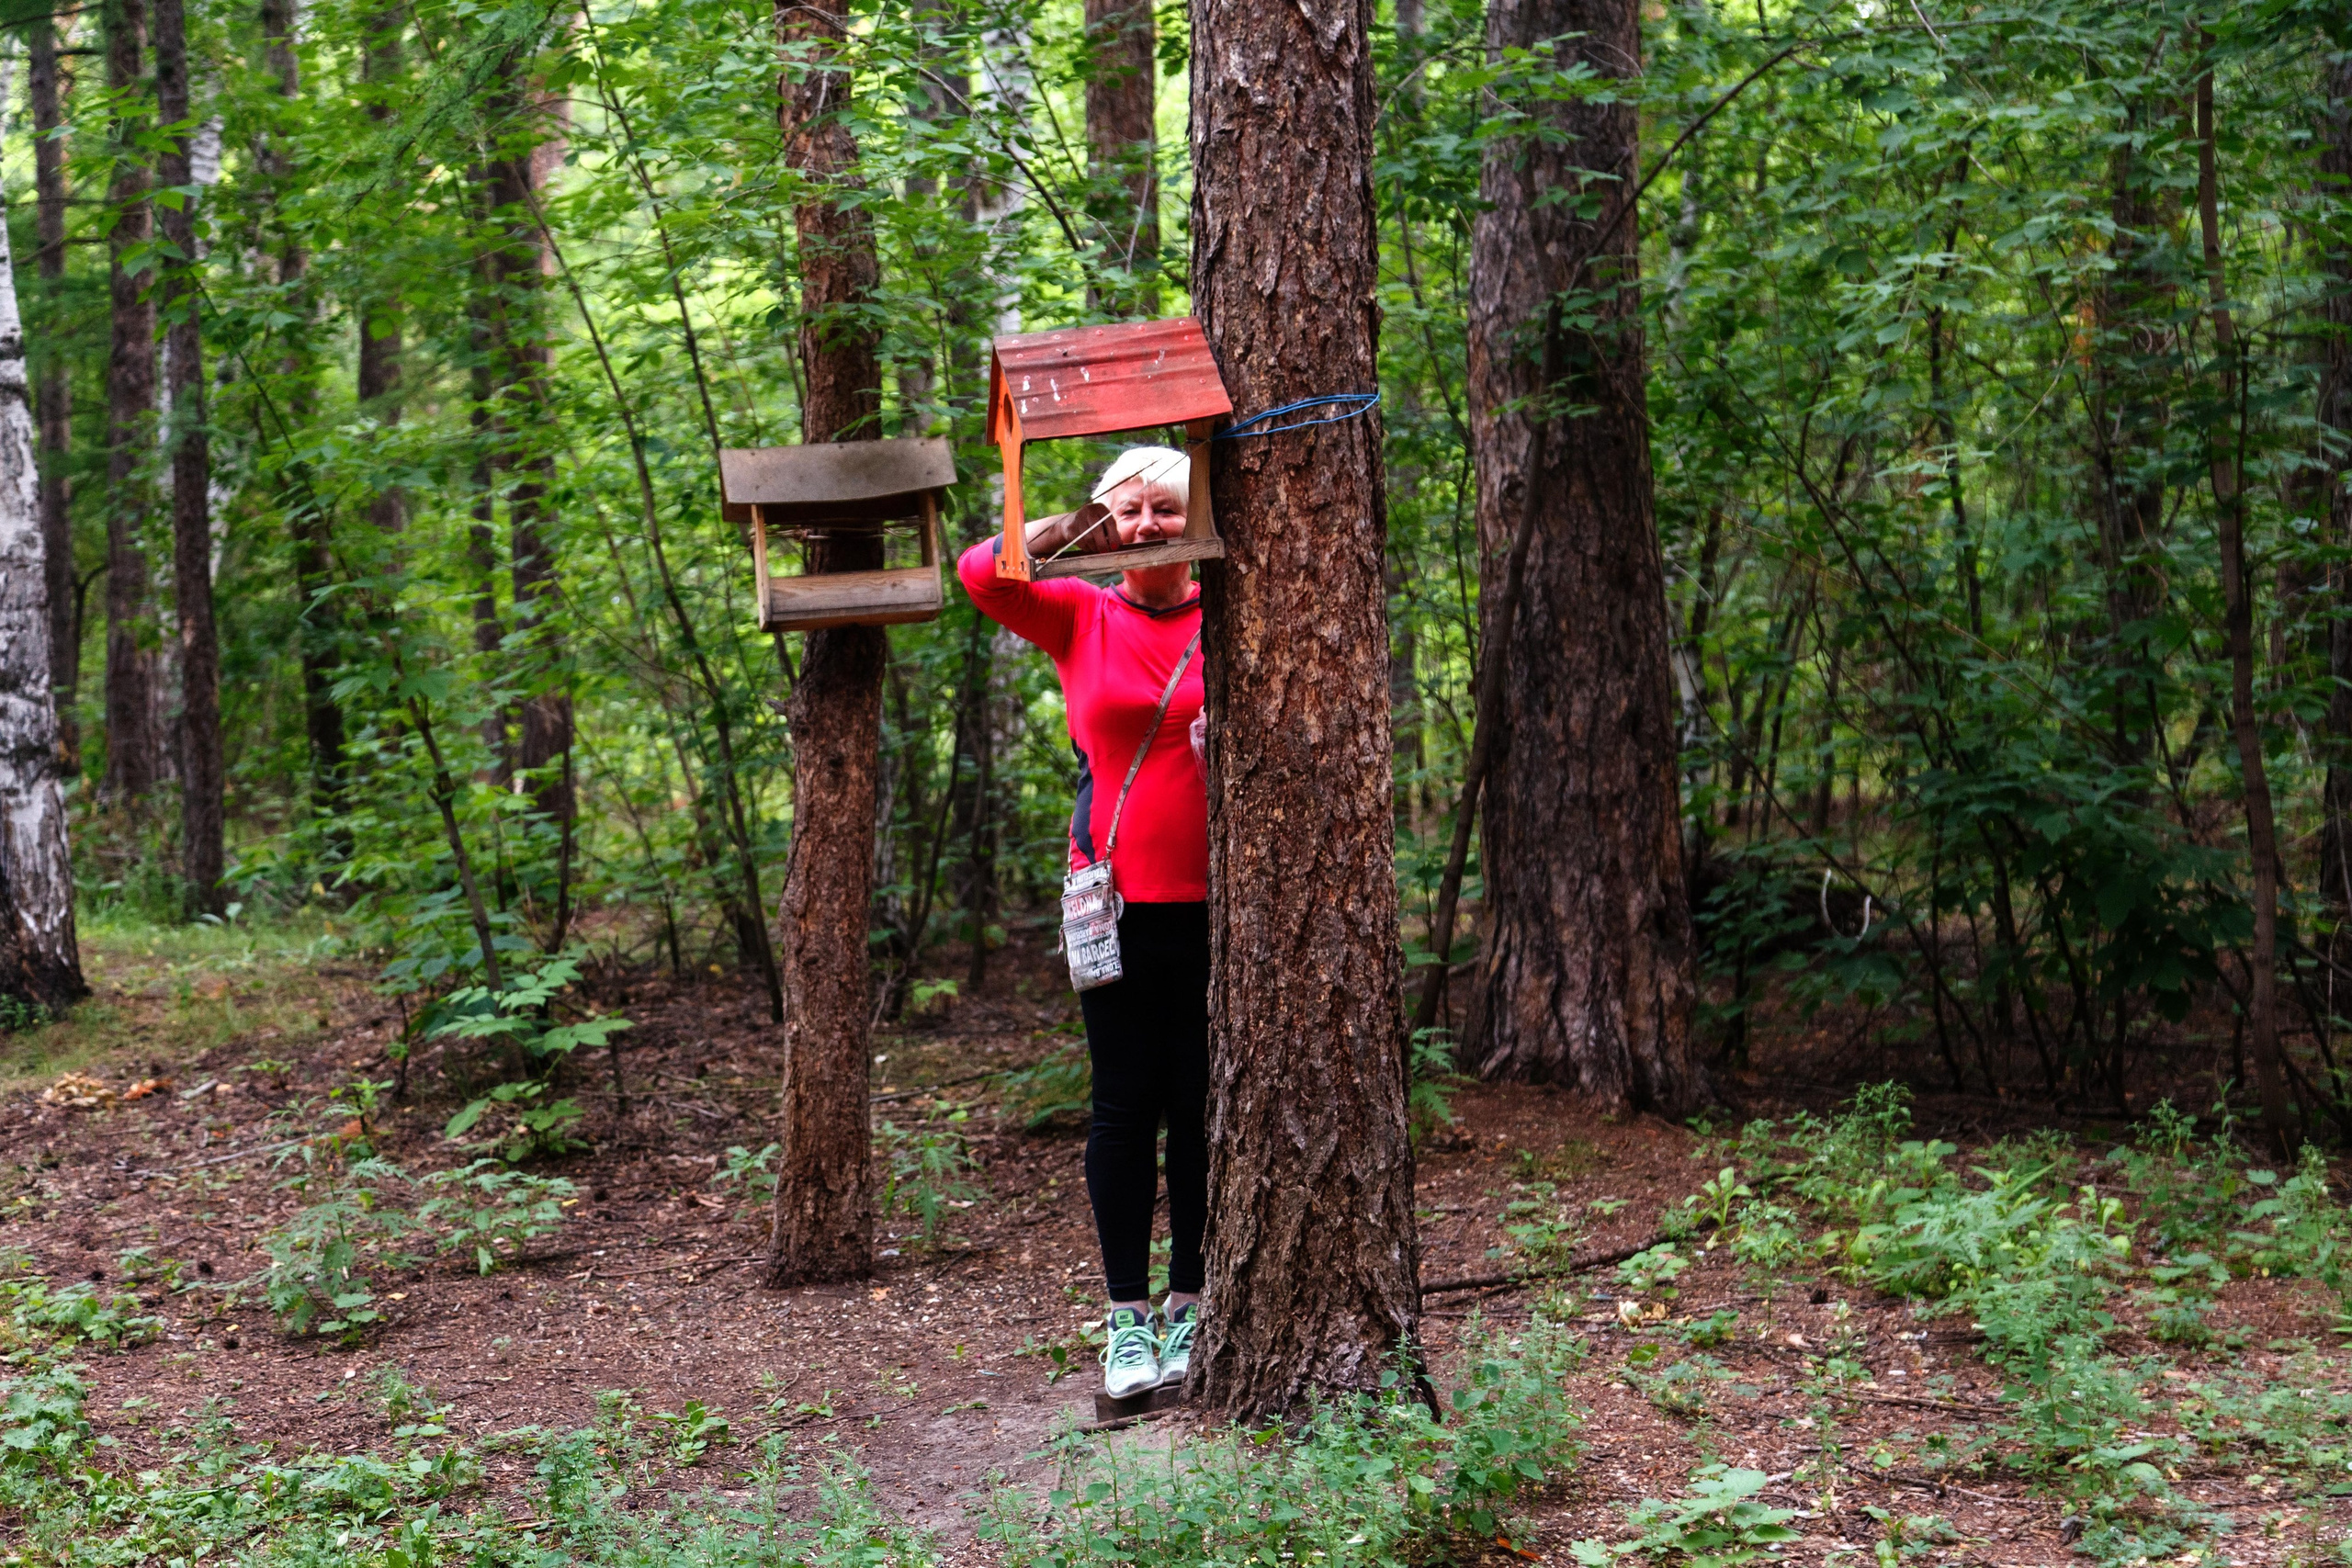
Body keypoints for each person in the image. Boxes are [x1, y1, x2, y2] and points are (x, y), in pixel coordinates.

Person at [958, 446, 1207, 1400]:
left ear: (1196, 516)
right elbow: (980, 572)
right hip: (1111, 906)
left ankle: (1191, 1303)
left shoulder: (1236, 611)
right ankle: (1127, 1320)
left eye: (1166, 508)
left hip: (1217, 904)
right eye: (1129, 511)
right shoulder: (1080, 613)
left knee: (1200, 1105)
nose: (1148, 526)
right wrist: (1075, 529)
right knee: (1123, 1106)